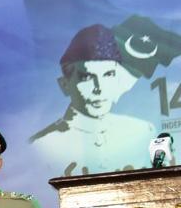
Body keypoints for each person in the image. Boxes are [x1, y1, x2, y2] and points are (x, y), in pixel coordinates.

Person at [30, 24, 155, 176]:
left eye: (108, 75)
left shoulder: (143, 131)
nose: (99, 88)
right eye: (87, 77)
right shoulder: (43, 145)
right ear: (65, 85)